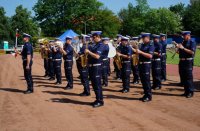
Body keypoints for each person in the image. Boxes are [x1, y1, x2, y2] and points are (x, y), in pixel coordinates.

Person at [85, 31, 104, 108]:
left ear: (98, 37)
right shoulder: (95, 45)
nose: (92, 39)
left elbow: (97, 56)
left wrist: (89, 52)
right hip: (92, 66)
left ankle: (100, 101)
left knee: (97, 84)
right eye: (92, 37)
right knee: (94, 84)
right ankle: (97, 99)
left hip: (97, 67)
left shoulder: (101, 45)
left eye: (94, 37)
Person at [177, 31, 196, 98]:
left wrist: (183, 48)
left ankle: (190, 92)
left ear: (188, 35)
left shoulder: (192, 42)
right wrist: (178, 48)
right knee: (183, 77)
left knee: (188, 77)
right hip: (182, 61)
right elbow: (179, 53)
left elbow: (192, 52)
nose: (183, 37)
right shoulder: (183, 42)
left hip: (188, 62)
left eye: (184, 36)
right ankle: (186, 91)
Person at [137, 33, 154, 102]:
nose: (142, 39)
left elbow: (150, 56)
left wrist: (141, 52)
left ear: (147, 38)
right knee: (143, 80)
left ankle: (148, 96)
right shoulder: (142, 45)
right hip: (141, 64)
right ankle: (145, 94)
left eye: (143, 38)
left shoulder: (151, 45)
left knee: (146, 81)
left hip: (146, 64)